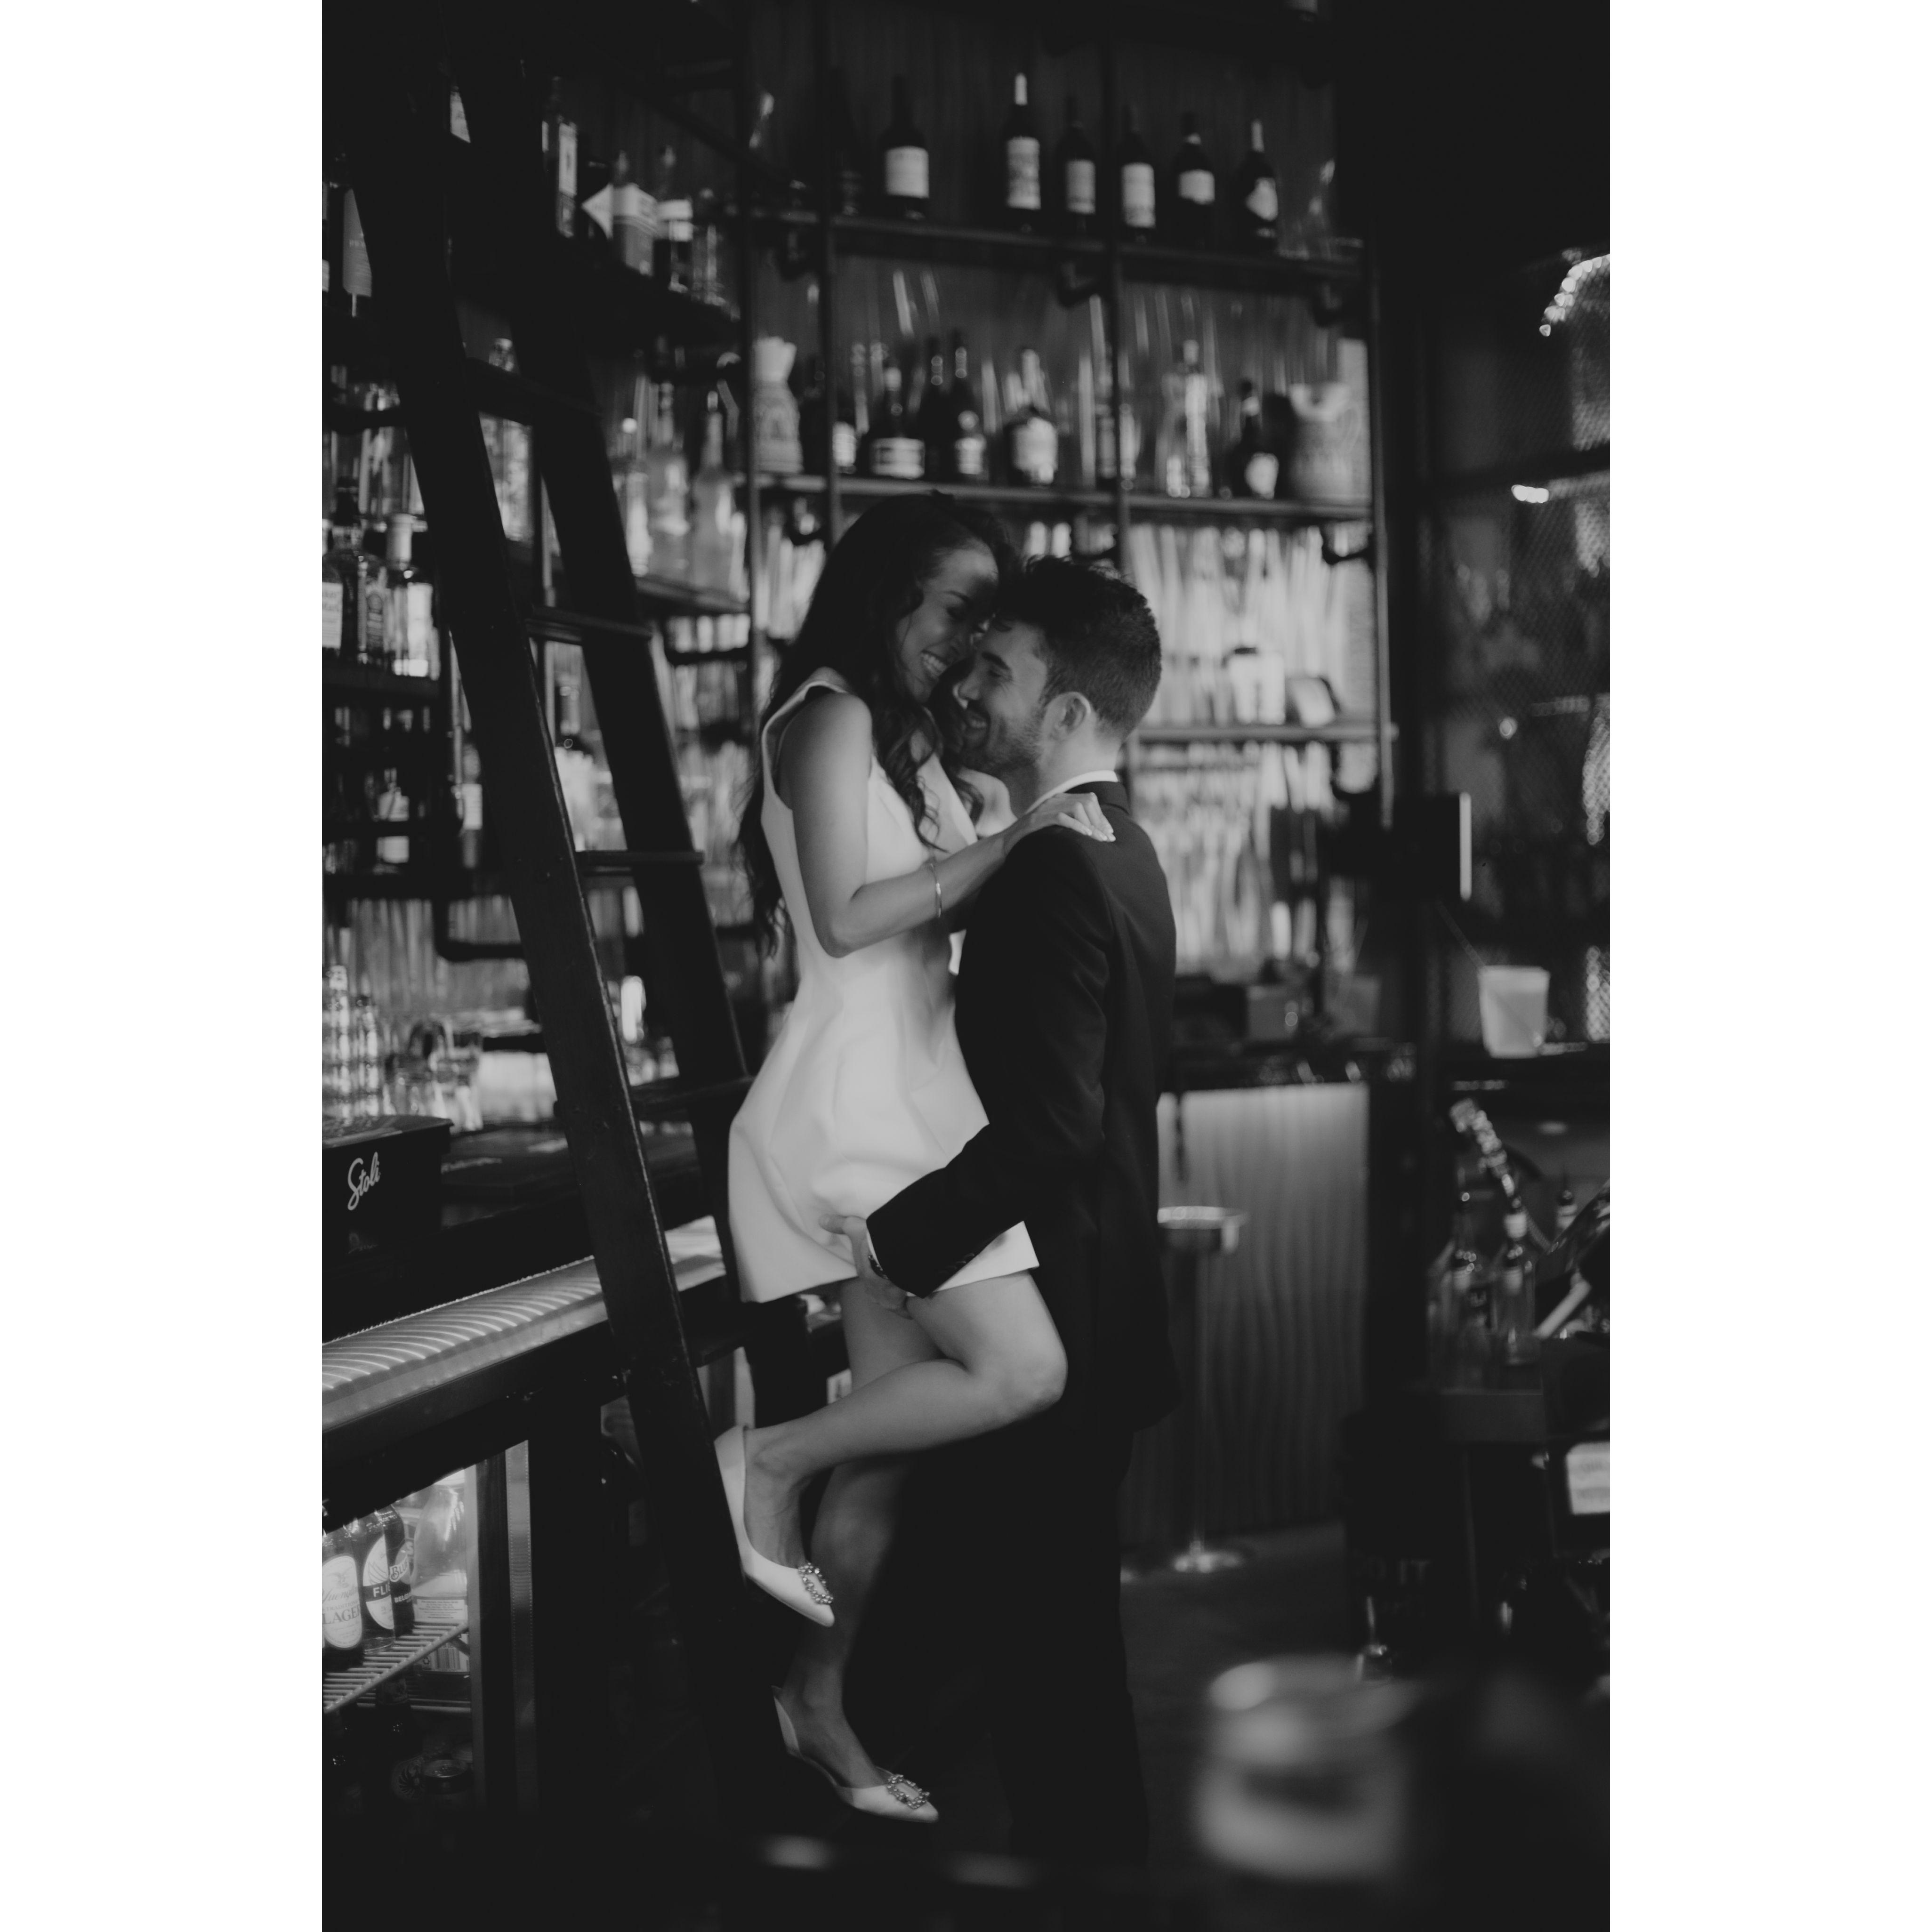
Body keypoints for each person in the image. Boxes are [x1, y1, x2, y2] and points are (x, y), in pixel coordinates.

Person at [723, 494, 1115, 1821]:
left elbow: (935, 912)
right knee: (1024, 1370)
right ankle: (767, 1459)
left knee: (887, 1452)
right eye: (955, 607)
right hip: (865, 1106)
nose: (963, 640)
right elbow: (844, 920)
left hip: (918, 1097)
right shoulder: (829, 717)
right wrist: (1013, 841)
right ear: (884, 593)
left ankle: (816, 1704)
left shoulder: (897, 741)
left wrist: (985, 820)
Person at [825, 557, 1178, 1874]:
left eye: (999, 671)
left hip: (1052, 1323)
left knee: (1048, 1688)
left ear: (1070, 712)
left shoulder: (1048, 871)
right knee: (1058, 1674)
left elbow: (1051, 1132)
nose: (969, 688)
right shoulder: (1121, 849)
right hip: (1095, 1309)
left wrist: (897, 1241)